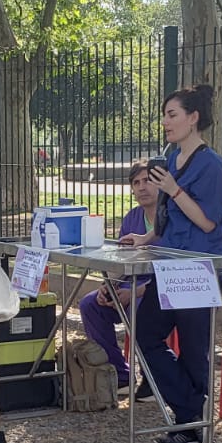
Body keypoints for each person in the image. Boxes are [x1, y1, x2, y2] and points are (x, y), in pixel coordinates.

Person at [119, 83, 222, 443]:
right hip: (170, 265)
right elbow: (169, 217)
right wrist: (147, 237)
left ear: (193, 118)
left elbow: (208, 223)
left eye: (172, 115)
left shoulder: (210, 165)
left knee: (194, 349)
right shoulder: (171, 157)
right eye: (164, 116)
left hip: (198, 267)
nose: (165, 122)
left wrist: (174, 189)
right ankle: (191, 409)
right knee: (146, 333)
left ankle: (191, 424)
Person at [77, 159, 159, 394]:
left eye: (147, 181)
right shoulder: (132, 217)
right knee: (90, 304)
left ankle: (154, 380)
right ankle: (119, 375)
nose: (142, 187)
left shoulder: (171, 219)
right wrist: (109, 286)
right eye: (136, 183)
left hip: (157, 287)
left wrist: (134, 293)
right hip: (130, 282)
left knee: (140, 308)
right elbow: (121, 260)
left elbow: (171, 271)